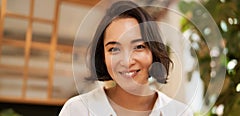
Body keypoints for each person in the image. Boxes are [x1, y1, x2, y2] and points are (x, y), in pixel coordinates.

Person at [59, 1, 192, 116]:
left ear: (153, 51)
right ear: (103, 56)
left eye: (138, 47)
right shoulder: (76, 110)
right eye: (114, 49)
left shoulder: (180, 113)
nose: (127, 61)